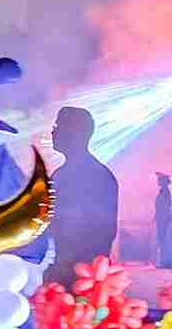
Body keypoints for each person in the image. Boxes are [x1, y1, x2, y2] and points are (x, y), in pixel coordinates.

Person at [44, 106, 119, 284]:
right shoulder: (62, 174)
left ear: (73, 132)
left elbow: (104, 231)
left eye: (57, 126)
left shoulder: (97, 176)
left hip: (81, 274)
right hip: (66, 268)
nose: (52, 132)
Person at [153, 172, 172, 267]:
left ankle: (165, 261)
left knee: (164, 240)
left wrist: (161, 216)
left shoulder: (165, 192)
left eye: (160, 180)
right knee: (162, 240)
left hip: (163, 219)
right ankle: (163, 261)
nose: (158, 181)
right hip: (161, 218)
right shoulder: (163, 191)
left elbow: (165, 206)